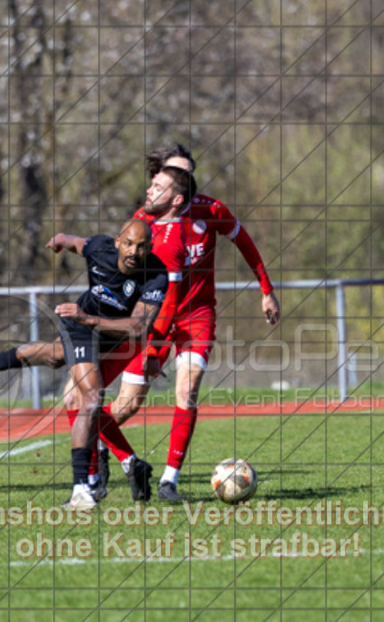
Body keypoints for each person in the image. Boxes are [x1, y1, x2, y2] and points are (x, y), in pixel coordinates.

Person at [101, 143, 281, 502]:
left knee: (187, 390)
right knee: (128, 405)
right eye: (173, 173)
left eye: (187, 174)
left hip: (197, 316)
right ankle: (99, 445)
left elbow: (243, 241)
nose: (183, 179)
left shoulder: (210, 209)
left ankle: (169, 480)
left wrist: (266, 288)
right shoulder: (144, 223)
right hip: (153, 319)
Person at [0, 219, 168, 508]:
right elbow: (77, 242)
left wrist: (88, 318)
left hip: (105, 332)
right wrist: (60, 240)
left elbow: (139, 327)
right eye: (128, 243)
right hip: (81, 327)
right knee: (88, 398)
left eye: (141, 246)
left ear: (150, 248)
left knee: (54, 357)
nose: (133, 251)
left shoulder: (156, 274)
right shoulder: (100, 248)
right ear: (117, 242)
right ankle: (83, 488)